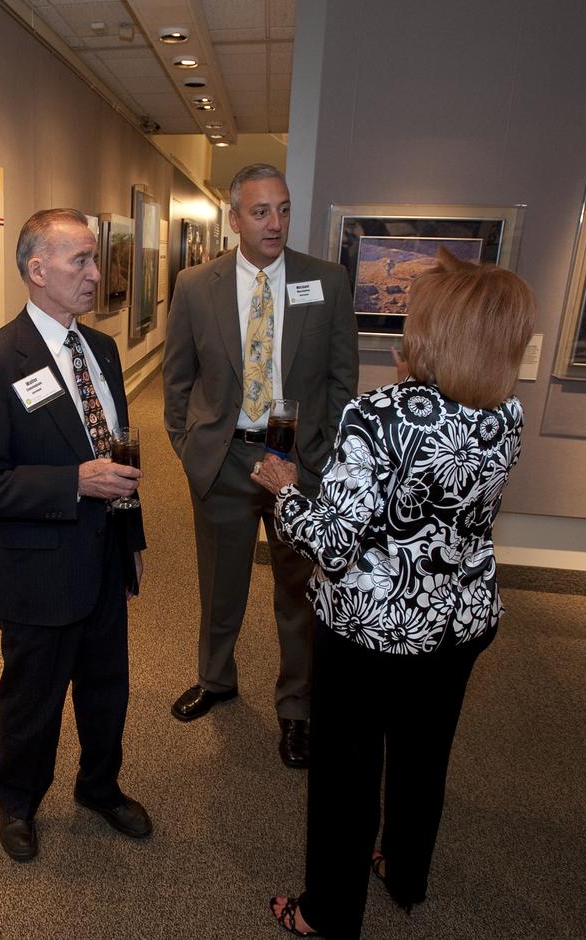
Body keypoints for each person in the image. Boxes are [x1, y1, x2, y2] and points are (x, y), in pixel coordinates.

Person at [252, 249, 536, 938]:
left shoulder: (376, 417)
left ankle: (328, 914)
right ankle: (404, 871)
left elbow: (335, 544)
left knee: (347, 777)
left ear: (433, 330)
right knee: (423, 755)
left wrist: (285, 492)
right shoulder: (508, 416)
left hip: (370, 631)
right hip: (461, 623)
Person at [0, 208, 149, 863]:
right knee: (31, 702)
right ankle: (18, 800)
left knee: (106, 689)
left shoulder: (103, 350)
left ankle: (99, 786)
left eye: (95, 260)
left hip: (104, 556)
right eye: (81, 262)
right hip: (37, 570)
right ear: (38, 271)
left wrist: (134, 539)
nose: (96, 274)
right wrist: (74, 482)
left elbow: (121, 455)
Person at [162, 163, 358, 768]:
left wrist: (323, 460)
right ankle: (216, 679)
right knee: (220, 587)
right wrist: (190, 444)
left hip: (297, 462)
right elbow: (177, 380)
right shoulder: (196, 285)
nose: (275, 224)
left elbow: (341, 379)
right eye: (261, 211)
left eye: (284, 209)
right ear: (234, 217)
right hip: (224, 458)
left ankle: (296, 708)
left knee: (297, 593)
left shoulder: (325, 281)